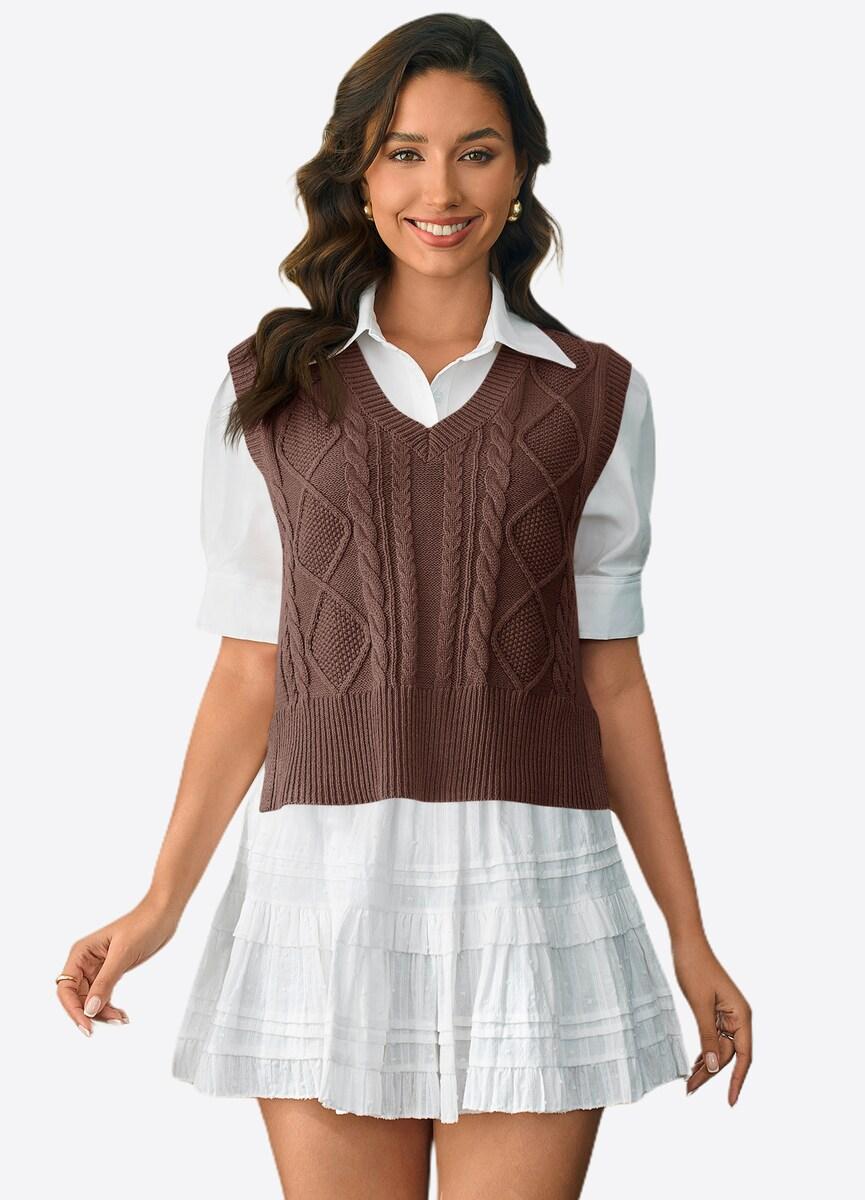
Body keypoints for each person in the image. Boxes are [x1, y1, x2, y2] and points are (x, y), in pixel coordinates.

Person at [55, 14, 752, 1199]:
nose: (442, 189)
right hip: (324, 889)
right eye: (405, 153)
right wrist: (160, 901)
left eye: (477, 153)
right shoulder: (268, 391)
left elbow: (612, 680)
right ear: (361, 175)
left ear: (522, 173)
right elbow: (250, 669)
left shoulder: (597, 396)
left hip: (534, 883)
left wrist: (692, 935)